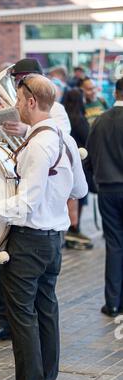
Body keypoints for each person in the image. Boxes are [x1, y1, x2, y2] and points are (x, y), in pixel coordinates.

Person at [0, 74, 88, 380]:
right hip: (53, 240)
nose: (15, 106)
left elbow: (25, 205)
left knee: (23, 319)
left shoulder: (38, 145)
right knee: (46, 312)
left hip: (30, 240)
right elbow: (78, 190)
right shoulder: (63, 137)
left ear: (31, 102)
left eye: (18, 100)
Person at [0, 57, 71, 345]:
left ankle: (21, 333)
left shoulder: (57, 112)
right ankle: (1, 319)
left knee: (32, 296)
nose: (16, 91)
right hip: (8, 183)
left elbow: (61, 142)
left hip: (34, 198)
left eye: (21, 84)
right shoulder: (10, 107)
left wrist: (27, 131)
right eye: (16, 82)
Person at [86, 78, 123, 318]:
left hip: (107, 190)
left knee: (114, 245)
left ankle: (112, 302)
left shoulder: (99, 120)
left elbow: (87, 158)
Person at [63, 88, 93, 250]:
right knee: (78, 199)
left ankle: (69, 229)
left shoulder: (63, 117)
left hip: (66, 164)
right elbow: (88, 141)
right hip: (80, 164)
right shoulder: (80, 120)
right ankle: (74, 229)